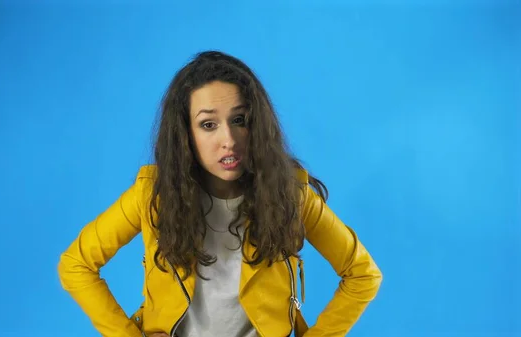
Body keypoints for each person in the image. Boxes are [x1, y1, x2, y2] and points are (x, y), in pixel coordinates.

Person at [58, 50, 383, 337]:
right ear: (185, 133)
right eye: (208, 124)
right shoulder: (152, 197)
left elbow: (363, 274)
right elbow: (76, 264)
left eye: (239, 120)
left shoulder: (291, 196)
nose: (228, 139)